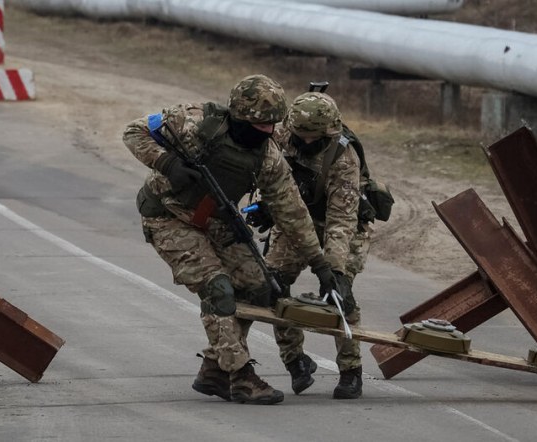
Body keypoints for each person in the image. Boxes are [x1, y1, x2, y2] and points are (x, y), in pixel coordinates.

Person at [122, 74, 338, 405]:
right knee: (218, 289)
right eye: (260, 124)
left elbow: (291, 212)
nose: (268, 132)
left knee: (257, 284)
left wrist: (320, 264)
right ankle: (241, 376)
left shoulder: (267, 157)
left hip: (215, 220)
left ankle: (214, 369)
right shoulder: (193, 121)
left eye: (272, 125)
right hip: (168, 217)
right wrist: (168, 163)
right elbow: (134, 132)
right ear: (240, 116)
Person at [253, 91, 373, 399]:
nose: (305, 143)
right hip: (295, 221)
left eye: (313, 138)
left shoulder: (344, 158)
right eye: (300, 137)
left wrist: (333, 269)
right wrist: (267, 207)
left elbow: (342, 221)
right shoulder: (280, 137)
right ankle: (296, 361)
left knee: (339, 294)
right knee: (273, 285)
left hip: (340, 227)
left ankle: (350, 371)